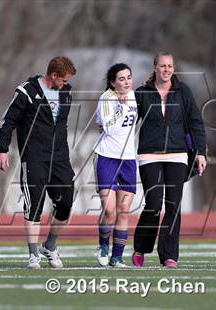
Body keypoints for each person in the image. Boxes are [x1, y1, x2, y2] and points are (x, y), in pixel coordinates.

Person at [0, 56, 77, 269]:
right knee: (34, 206)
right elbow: (7, 121)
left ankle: (50, 245)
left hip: (59, 157)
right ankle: (33, 255)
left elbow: (61, 125)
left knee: (66, 203)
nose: (67, 84)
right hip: (34, 156)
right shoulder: (26, 91)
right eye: (64, 80)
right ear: (53, 75)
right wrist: (2, 149)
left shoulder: (66, 92)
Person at [132, 52, 207, 268]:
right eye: (163, 65)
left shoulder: (183, 92)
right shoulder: (142, 93)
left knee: (173, 206)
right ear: (154, 67)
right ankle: (141, 248)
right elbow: (127, 123)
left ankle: (168, 255)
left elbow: (196, 123)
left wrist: (200, 152)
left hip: (178, 155)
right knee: (153, 205)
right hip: (149, 156)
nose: (166, 69)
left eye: (170, 66)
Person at [94, 63, 137, 267]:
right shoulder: (107, 98)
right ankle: (103, 244)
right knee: (109, 210)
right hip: (107, 158)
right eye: (121, 78)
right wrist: (121, 107)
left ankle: (117, 256)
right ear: (112, 82)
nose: (127, 81)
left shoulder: (134, 96)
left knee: (124, 210)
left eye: (129, 77)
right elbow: (109, 129)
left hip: (128, 160)